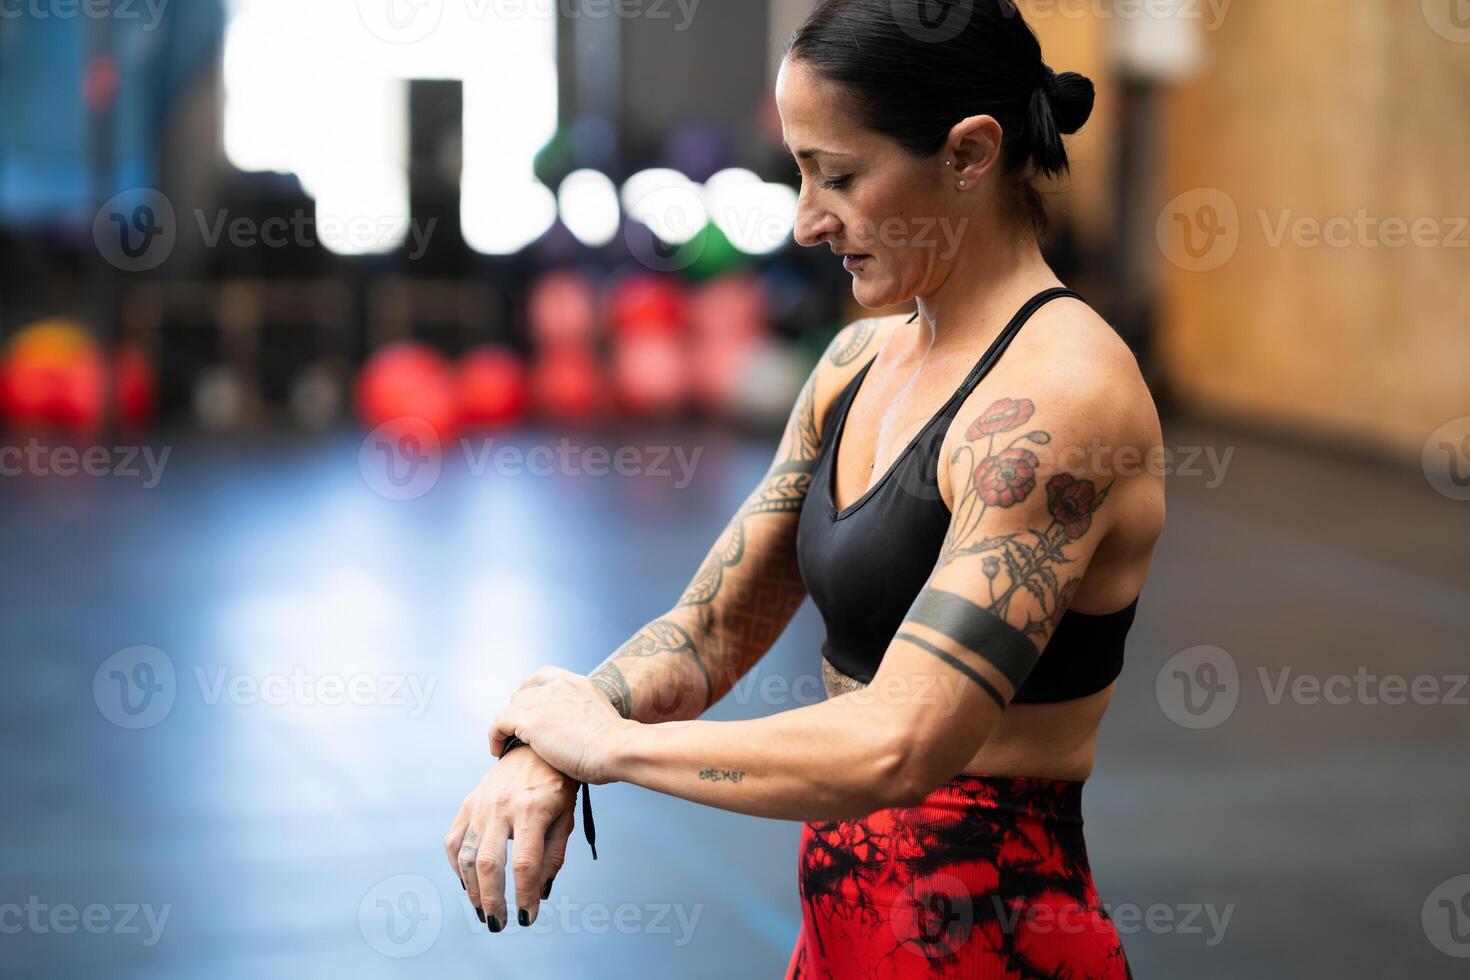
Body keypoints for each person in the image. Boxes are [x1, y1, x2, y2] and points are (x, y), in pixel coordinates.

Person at [445, 0, 1165, 973]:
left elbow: (898, 743)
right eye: (801, 170)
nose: (808, 218)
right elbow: (713, 631)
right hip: (839, 934)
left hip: (993, 945)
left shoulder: (1058, 400)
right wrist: (552, 738)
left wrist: (602, 747)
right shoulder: (857, 362)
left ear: (968, 154)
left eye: (842, 175)